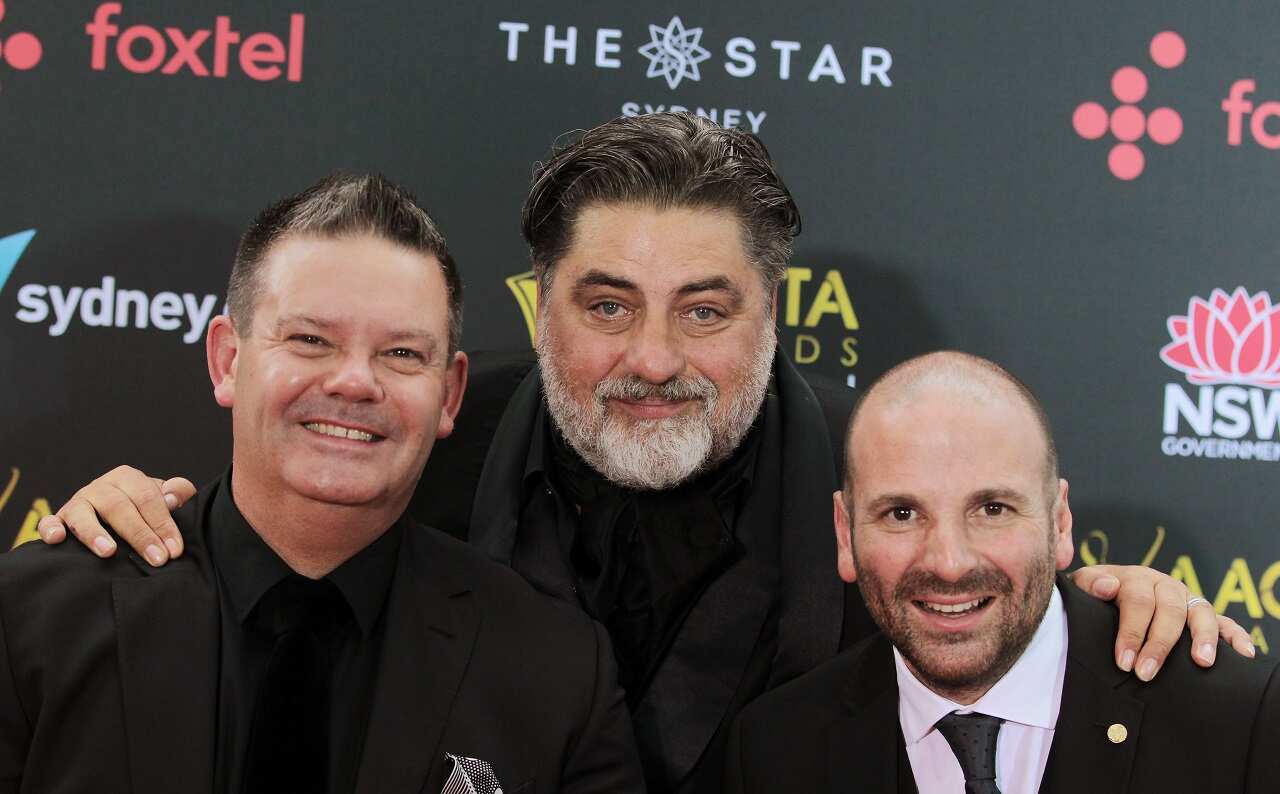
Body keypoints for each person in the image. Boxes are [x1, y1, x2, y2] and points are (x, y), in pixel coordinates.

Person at [33, 114, 1252, 793]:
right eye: (607, 304)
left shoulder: (889, 496)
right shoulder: (411, 450)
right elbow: (258, 546)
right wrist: (116, 533)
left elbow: (994, 597)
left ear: (773, 320)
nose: (652, 356)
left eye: (705, 310)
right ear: (539, 307)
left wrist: (1102, 614)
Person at [0, 173, 643, 794]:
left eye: (402, 354)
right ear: (228, 359)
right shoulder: (33, 621)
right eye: (310, 340)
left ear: (449, 395)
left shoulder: (556, 674)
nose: (354, 382)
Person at [724, 351, 1280, 793]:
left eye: (992, 509)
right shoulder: (776, 752)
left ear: (1060, 523)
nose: (949, 562)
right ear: (845, 534)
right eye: (901, 513)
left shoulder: (1238, 720)